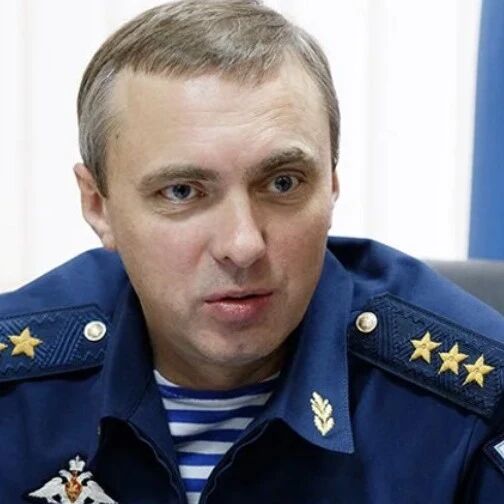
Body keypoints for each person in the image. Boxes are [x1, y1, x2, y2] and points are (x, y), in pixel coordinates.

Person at [1, 1, 503, 502]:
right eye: (182, 191)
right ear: (98, 205)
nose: (242, 245)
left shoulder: (474, 401)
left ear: (331, 185)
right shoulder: (15, 388)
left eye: (283, 183)